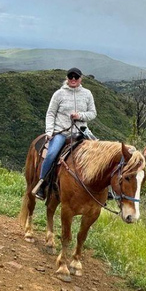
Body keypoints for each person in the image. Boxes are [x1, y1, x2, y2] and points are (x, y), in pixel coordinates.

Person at [32, 67, 97, 200]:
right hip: (62, 132)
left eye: (76, 77)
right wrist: (49, 131)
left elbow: (92, 113)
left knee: (100, 155)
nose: (73, 79)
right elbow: (50, 113)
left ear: (80, 79)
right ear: (67, 78)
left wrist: (80, 115)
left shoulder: (87, 94)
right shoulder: (59, 94)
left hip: (81, 131)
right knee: (51, 154)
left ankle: (102, 190)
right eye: (70, 76)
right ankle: (42, 184)